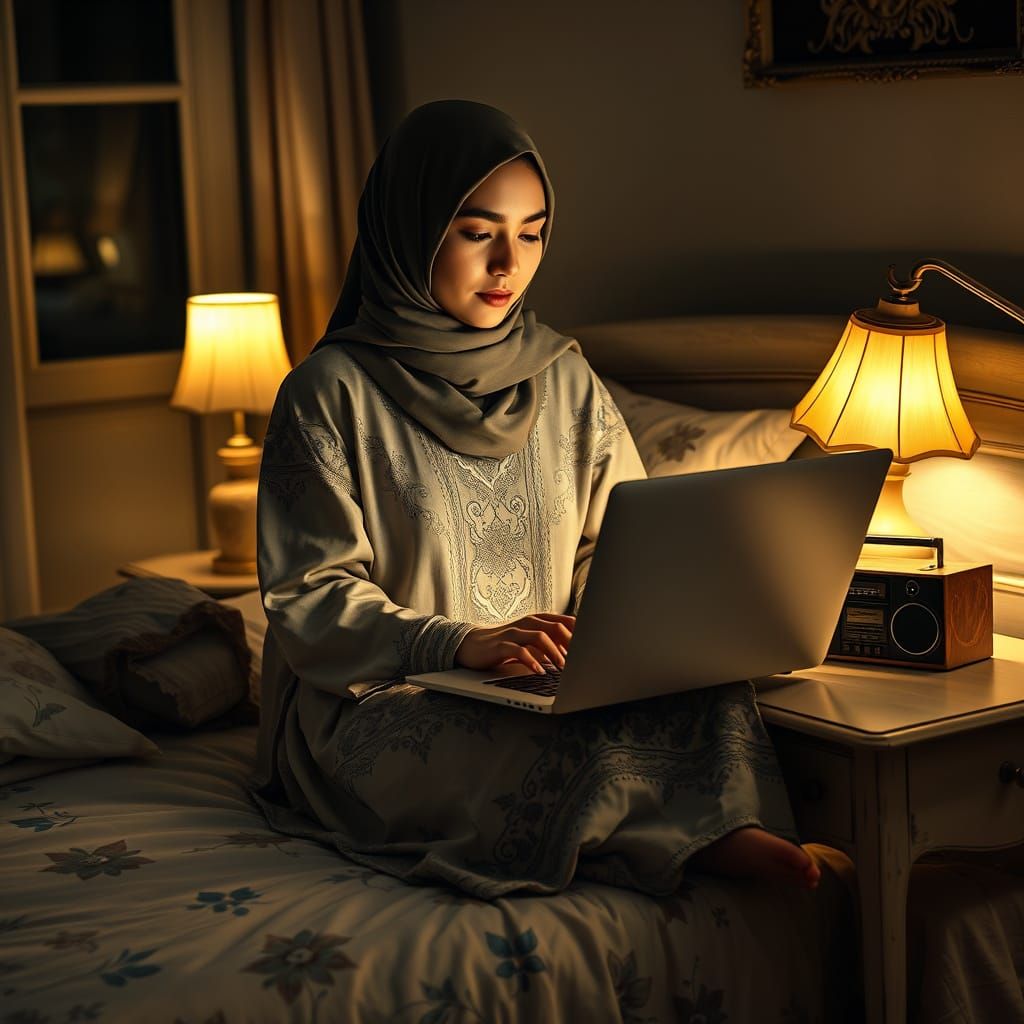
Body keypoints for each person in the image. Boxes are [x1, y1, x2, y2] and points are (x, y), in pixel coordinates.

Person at [250, 99, 821, 899]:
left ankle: (706, 828)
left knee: (712, 688)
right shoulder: (328, 393)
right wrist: (459, 644)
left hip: (552, 677)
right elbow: (309, 596)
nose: (508, 265)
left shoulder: (565, 377)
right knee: (506, 741)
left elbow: (617, 542)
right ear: (410, 227)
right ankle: (689, 845)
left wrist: (612, 636)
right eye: (478, 231)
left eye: (533, 231)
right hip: (387, 695)